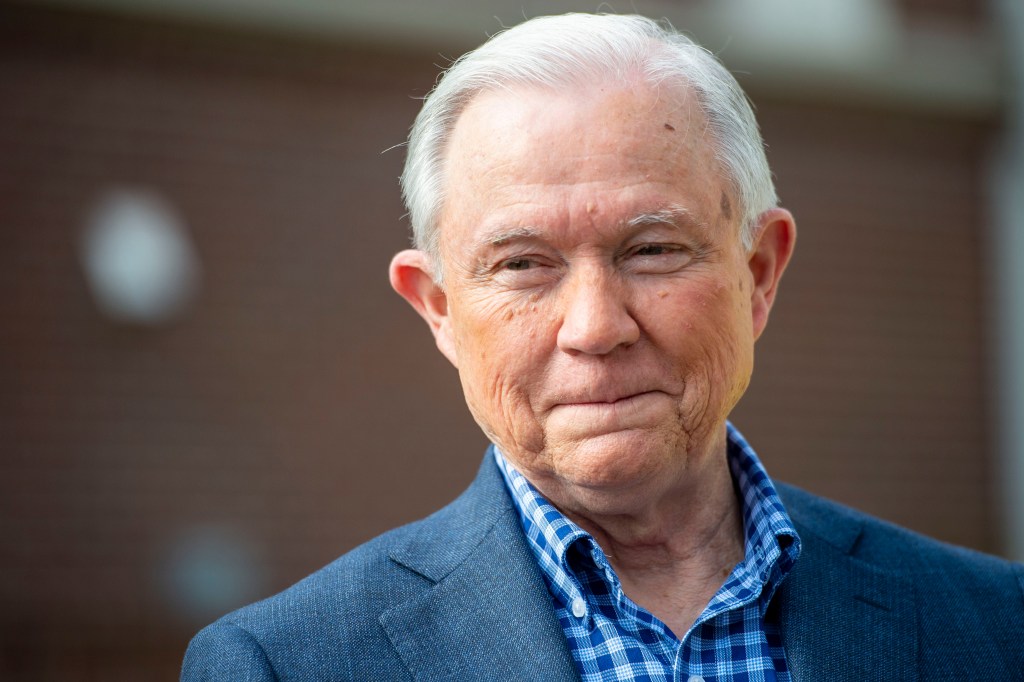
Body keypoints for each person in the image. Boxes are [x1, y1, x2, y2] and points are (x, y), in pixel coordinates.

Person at [182, 13, 1024, 681]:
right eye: (522, 265)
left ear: (758, 272)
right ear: (439, 309)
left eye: (652, 249)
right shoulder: (286, 667)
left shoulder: (996, 626)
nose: (593, 327)